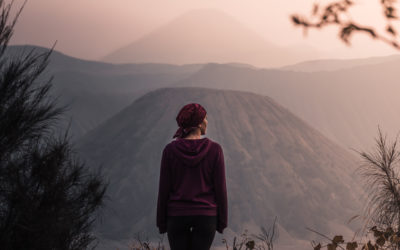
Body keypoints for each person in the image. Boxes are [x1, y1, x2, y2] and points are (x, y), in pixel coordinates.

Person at [156, 103, 228, 250]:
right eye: (205, 118)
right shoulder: (215, 150)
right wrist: (222, 221)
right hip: (206, 215)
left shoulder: (170, 151)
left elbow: (164, 189)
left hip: (176, 215)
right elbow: (221, 189)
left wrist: (161, 222)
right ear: (199, 123)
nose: (207, 122)